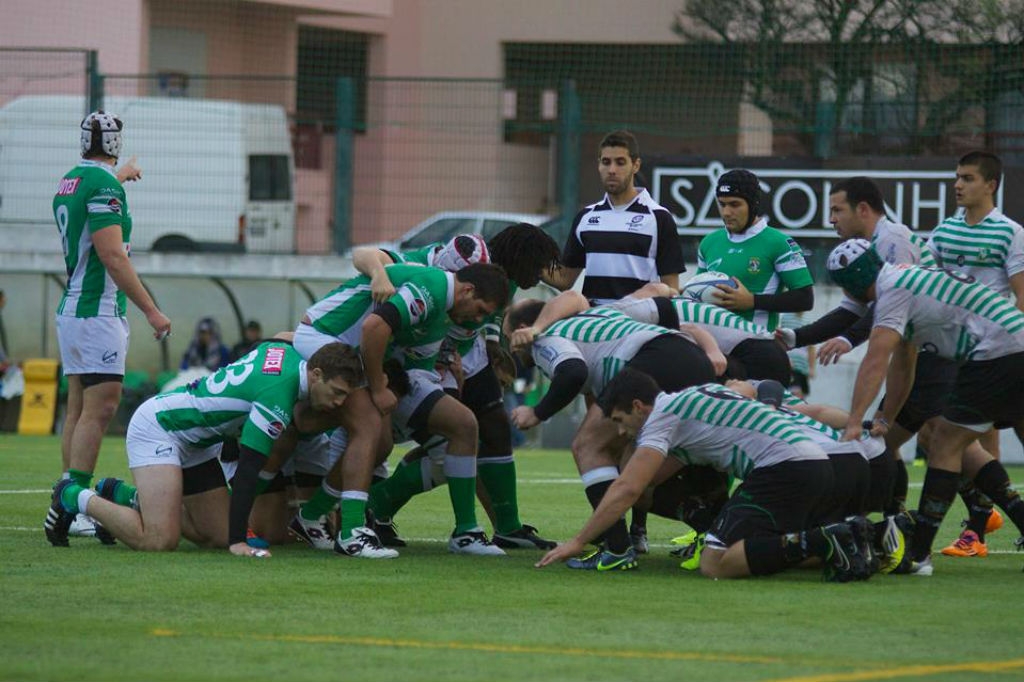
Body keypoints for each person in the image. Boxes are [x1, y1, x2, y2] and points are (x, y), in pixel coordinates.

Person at [536, 369, 871, 582]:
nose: (622, 432)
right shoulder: (691, 399)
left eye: (621, 420)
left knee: (714, 563)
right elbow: (646, 484)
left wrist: (578, 541)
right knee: (760, 550)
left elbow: (628, 487)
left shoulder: (662, 417)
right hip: (813, 464)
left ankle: (820, 538)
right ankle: (850, 538)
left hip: (784, 469)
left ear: (639, 406)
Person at [45, 341, 362, 556]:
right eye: (336, 393)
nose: (339, 403)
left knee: (215, 537)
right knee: (160, 540)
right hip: (161, 427)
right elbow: (249, 469)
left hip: (198, 441)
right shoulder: (278, 396)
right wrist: (239, 542)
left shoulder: (285, 352)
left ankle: (128, 496)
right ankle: (73, 495)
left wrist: (231, 537)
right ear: (316, 374)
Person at [354, 225, 561, 550]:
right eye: (537, 266)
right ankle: (380, 505)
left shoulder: (502, 280)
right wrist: (380, 274)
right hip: (417, 361)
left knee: (492, 426)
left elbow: (491, 314)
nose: (539, 276)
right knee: (451, 437)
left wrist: (493, 345)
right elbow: (374, 258)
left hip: (460, 355)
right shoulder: (452, 259)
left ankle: (507, 526)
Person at [286, 262, 511, 556]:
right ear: (467, 290)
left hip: (365, 359)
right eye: (480, 309)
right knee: (368, 427)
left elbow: (417, 370)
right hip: (326, 338)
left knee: (463, 424)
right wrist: (379, 389)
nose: (478, 319)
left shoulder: (445, 315)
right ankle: (352, 532)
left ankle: (466, 532)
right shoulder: (432, 290)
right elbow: (373, 327)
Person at [828, 239, 1024, 575]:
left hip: (999, 351)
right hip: (1012, 344)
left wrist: (854, 423)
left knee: (945, 442)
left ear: (853, 284)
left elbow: (876, 359)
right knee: (954, 441)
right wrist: (885, 418)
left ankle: (919, 555)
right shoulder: (906, 279)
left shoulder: (892, 291)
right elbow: (903, 364)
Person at [505, 291, 718, 570]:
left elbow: (572, 372)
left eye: (507, 337)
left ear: (522, 331)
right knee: (634, 471)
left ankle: (616, 548)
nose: (510, 349)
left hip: (652, 361)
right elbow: (663, 307)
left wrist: (537, 412)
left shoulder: (544, 337)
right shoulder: (599, 315)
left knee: (587, 446)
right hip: (693, 357)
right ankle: (712, 522)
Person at [776, 176, 940, 518]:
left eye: (837, 210)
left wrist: (850, 339)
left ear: (863, 209)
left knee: (935, 441)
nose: (831, 219)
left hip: (936, 351)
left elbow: (892, 304)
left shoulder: (892, 239)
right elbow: (851, 310)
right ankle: (902, 521)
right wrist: (797, 338)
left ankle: (909, 529)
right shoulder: (862, 251)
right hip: (922, 350)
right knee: (928, 439)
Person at [45, 110, 172, 547]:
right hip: (97, 312)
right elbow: (113, 256)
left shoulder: (72, 180)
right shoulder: (103, 185)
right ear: (115, 143)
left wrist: (120, 176)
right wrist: (152, 311)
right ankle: (72, 499)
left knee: (80, 407)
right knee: (99, 409)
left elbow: (94, 195)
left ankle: (68, 492)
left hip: (74, 309)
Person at [927, 151, 1024, 556]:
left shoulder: (1009, 233)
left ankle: (978, 527)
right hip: (959, 354)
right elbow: (925, 284)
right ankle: (979, 528)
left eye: (967, 177)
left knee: (968, 436)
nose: (958, 184)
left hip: (1000, 354)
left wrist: (1009, 345)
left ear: (991, 184)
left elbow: (1022, 297)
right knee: (948, 433)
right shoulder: (945, 232)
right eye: (956, 176)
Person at [543, 129, 686, 303]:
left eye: (620, 162)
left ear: (636, 165)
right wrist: (529, 265)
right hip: (595, 322)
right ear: (599, 165)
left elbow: (670, 289)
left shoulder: (659, 218)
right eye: (606, 162)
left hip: (638, 324)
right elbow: (564, 280)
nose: (612, 170)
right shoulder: (585, 217)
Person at [696, 169, 814, 331]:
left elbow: (805, 299)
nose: (726, 212)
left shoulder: (780, 243)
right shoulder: (709, 242)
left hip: (757, 345)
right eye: (722, 204)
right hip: (713, 346)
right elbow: (698, 294)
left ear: (753, 205)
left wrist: (752, 301)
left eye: (735, 204)